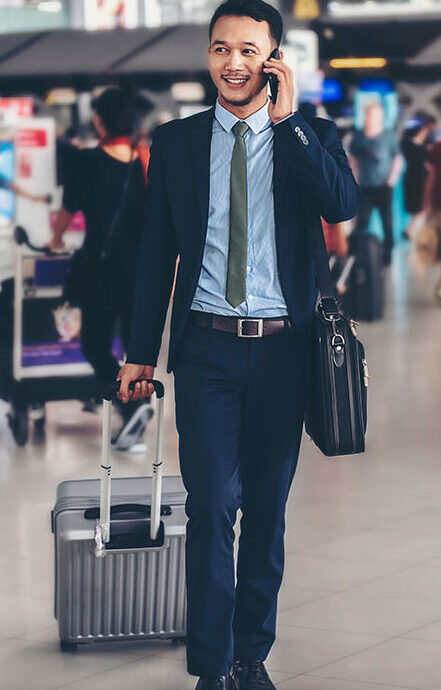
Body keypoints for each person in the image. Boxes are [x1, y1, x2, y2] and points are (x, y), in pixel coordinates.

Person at [118, 1, 359, 687]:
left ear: (274, 59)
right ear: (208, 56)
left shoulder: (311, 133)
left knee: (264, 510)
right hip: (207, 350)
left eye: (249, 50)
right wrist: (140, 350)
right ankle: (211, 665)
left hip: (285, 351)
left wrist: (290, 125)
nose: (233, 63)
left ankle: (249, 655)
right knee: (211, 504)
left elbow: (341, 204)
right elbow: (154, 251)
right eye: (221, 49)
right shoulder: (176, 142)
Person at [48, 87, 151, 449]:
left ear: (99, 121)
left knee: (94, 344)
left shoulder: (85, 162)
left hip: (101, 272)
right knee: (138, 352)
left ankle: (131, 404)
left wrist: (55, 240)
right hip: (140, 273)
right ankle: (136, 408)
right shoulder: (146, 162)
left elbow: (66, 211)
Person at [349, 102, 403, 265]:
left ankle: (388, 253)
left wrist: (392, 179)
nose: (368, 118)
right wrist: (354, 178)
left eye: (371, 115)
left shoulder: (388, 136)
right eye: (367, 115)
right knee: (362, 222)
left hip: (383, 186)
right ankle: (357, 255)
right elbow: (353, 158)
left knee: (387, 221)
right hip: (365, 186)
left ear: (379, 118)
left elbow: (397, 158)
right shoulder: (359, 136)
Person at [401, 115, 437, 241]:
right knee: (420, 206)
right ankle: (411, 231)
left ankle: (412, 230)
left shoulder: (406, 144)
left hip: (410, 177)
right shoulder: (421, 147)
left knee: (415, 206)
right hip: (420, 178)